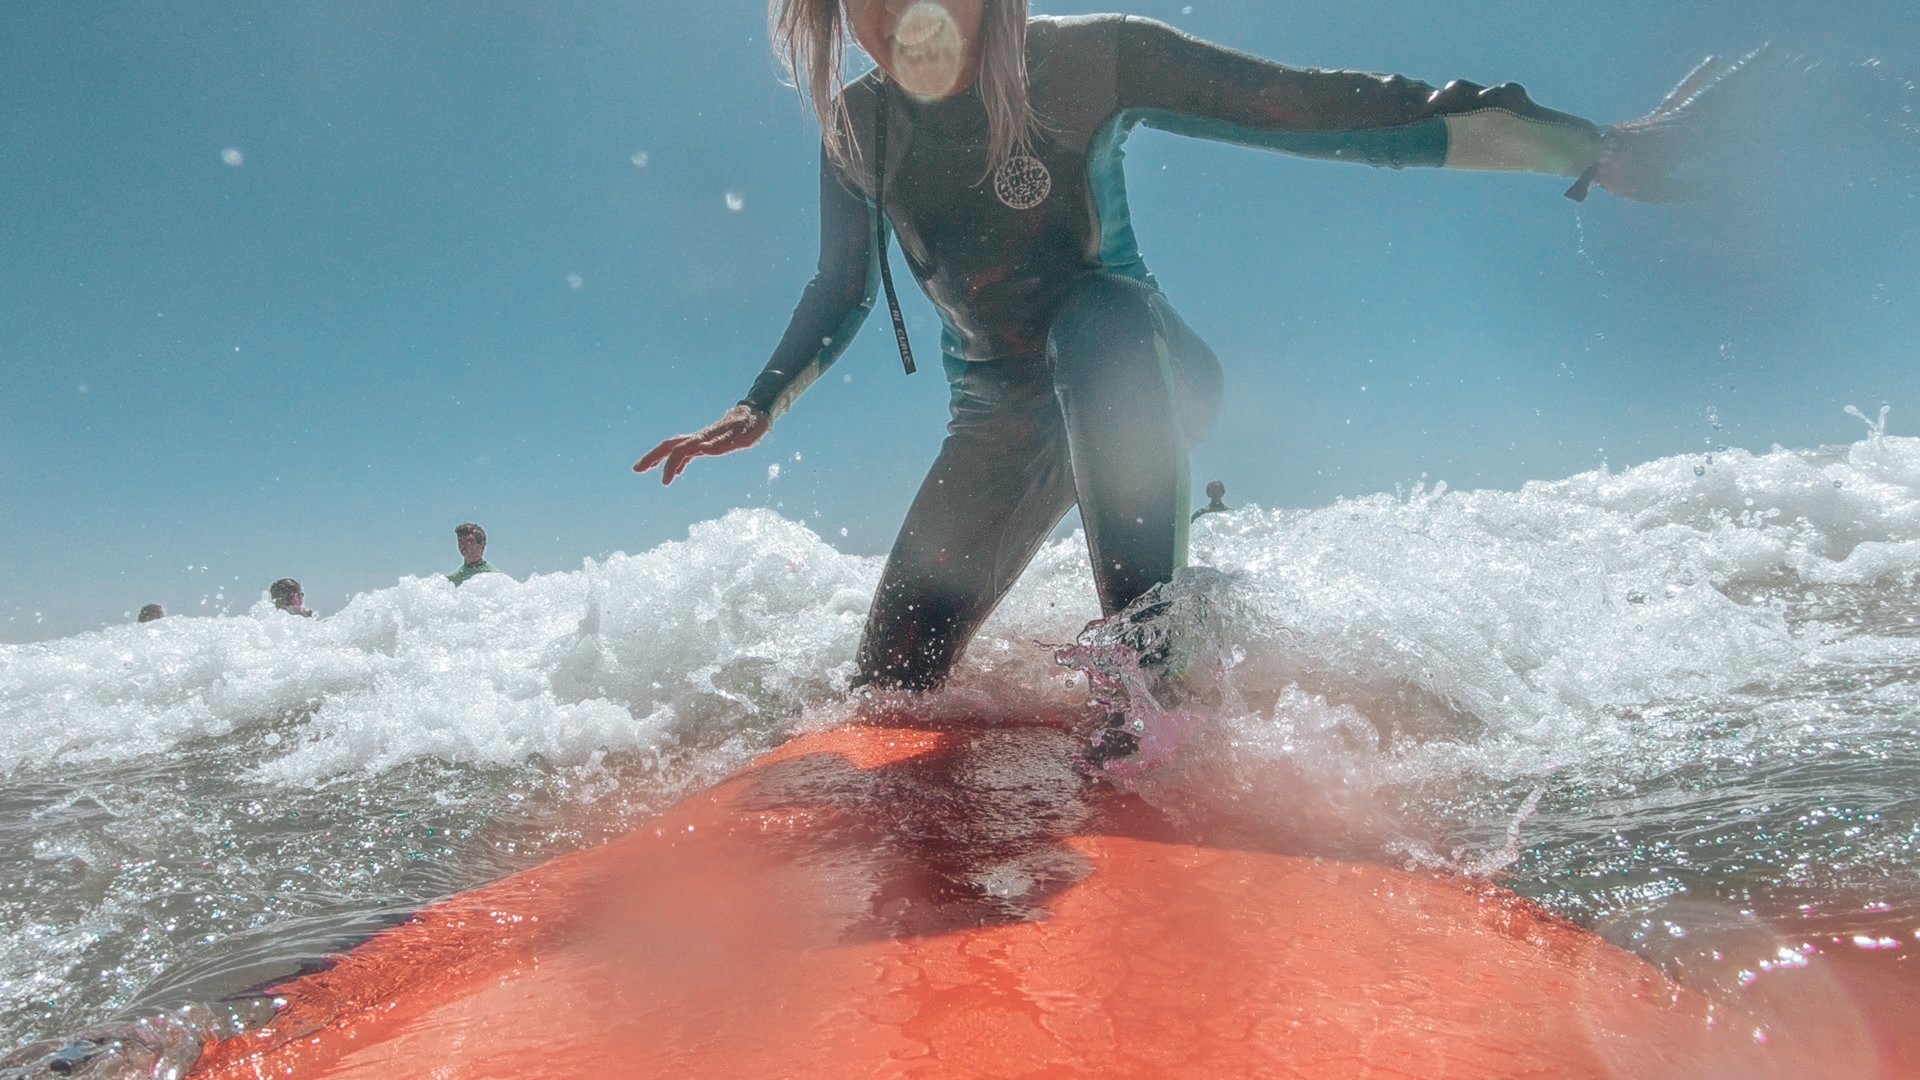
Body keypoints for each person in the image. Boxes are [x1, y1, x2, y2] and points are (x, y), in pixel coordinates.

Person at [637, 0, 1714, 695]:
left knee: (1091, 320)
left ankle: (1154, 689)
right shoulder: (858, 131)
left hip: (1138, 363)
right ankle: (1156, 631)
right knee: (887, 692)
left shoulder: (1090, 59)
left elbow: (1334, 114)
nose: (900, 13)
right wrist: (760, 403)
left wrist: (1597, 151)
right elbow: (840, 288)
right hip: (1002, 423)